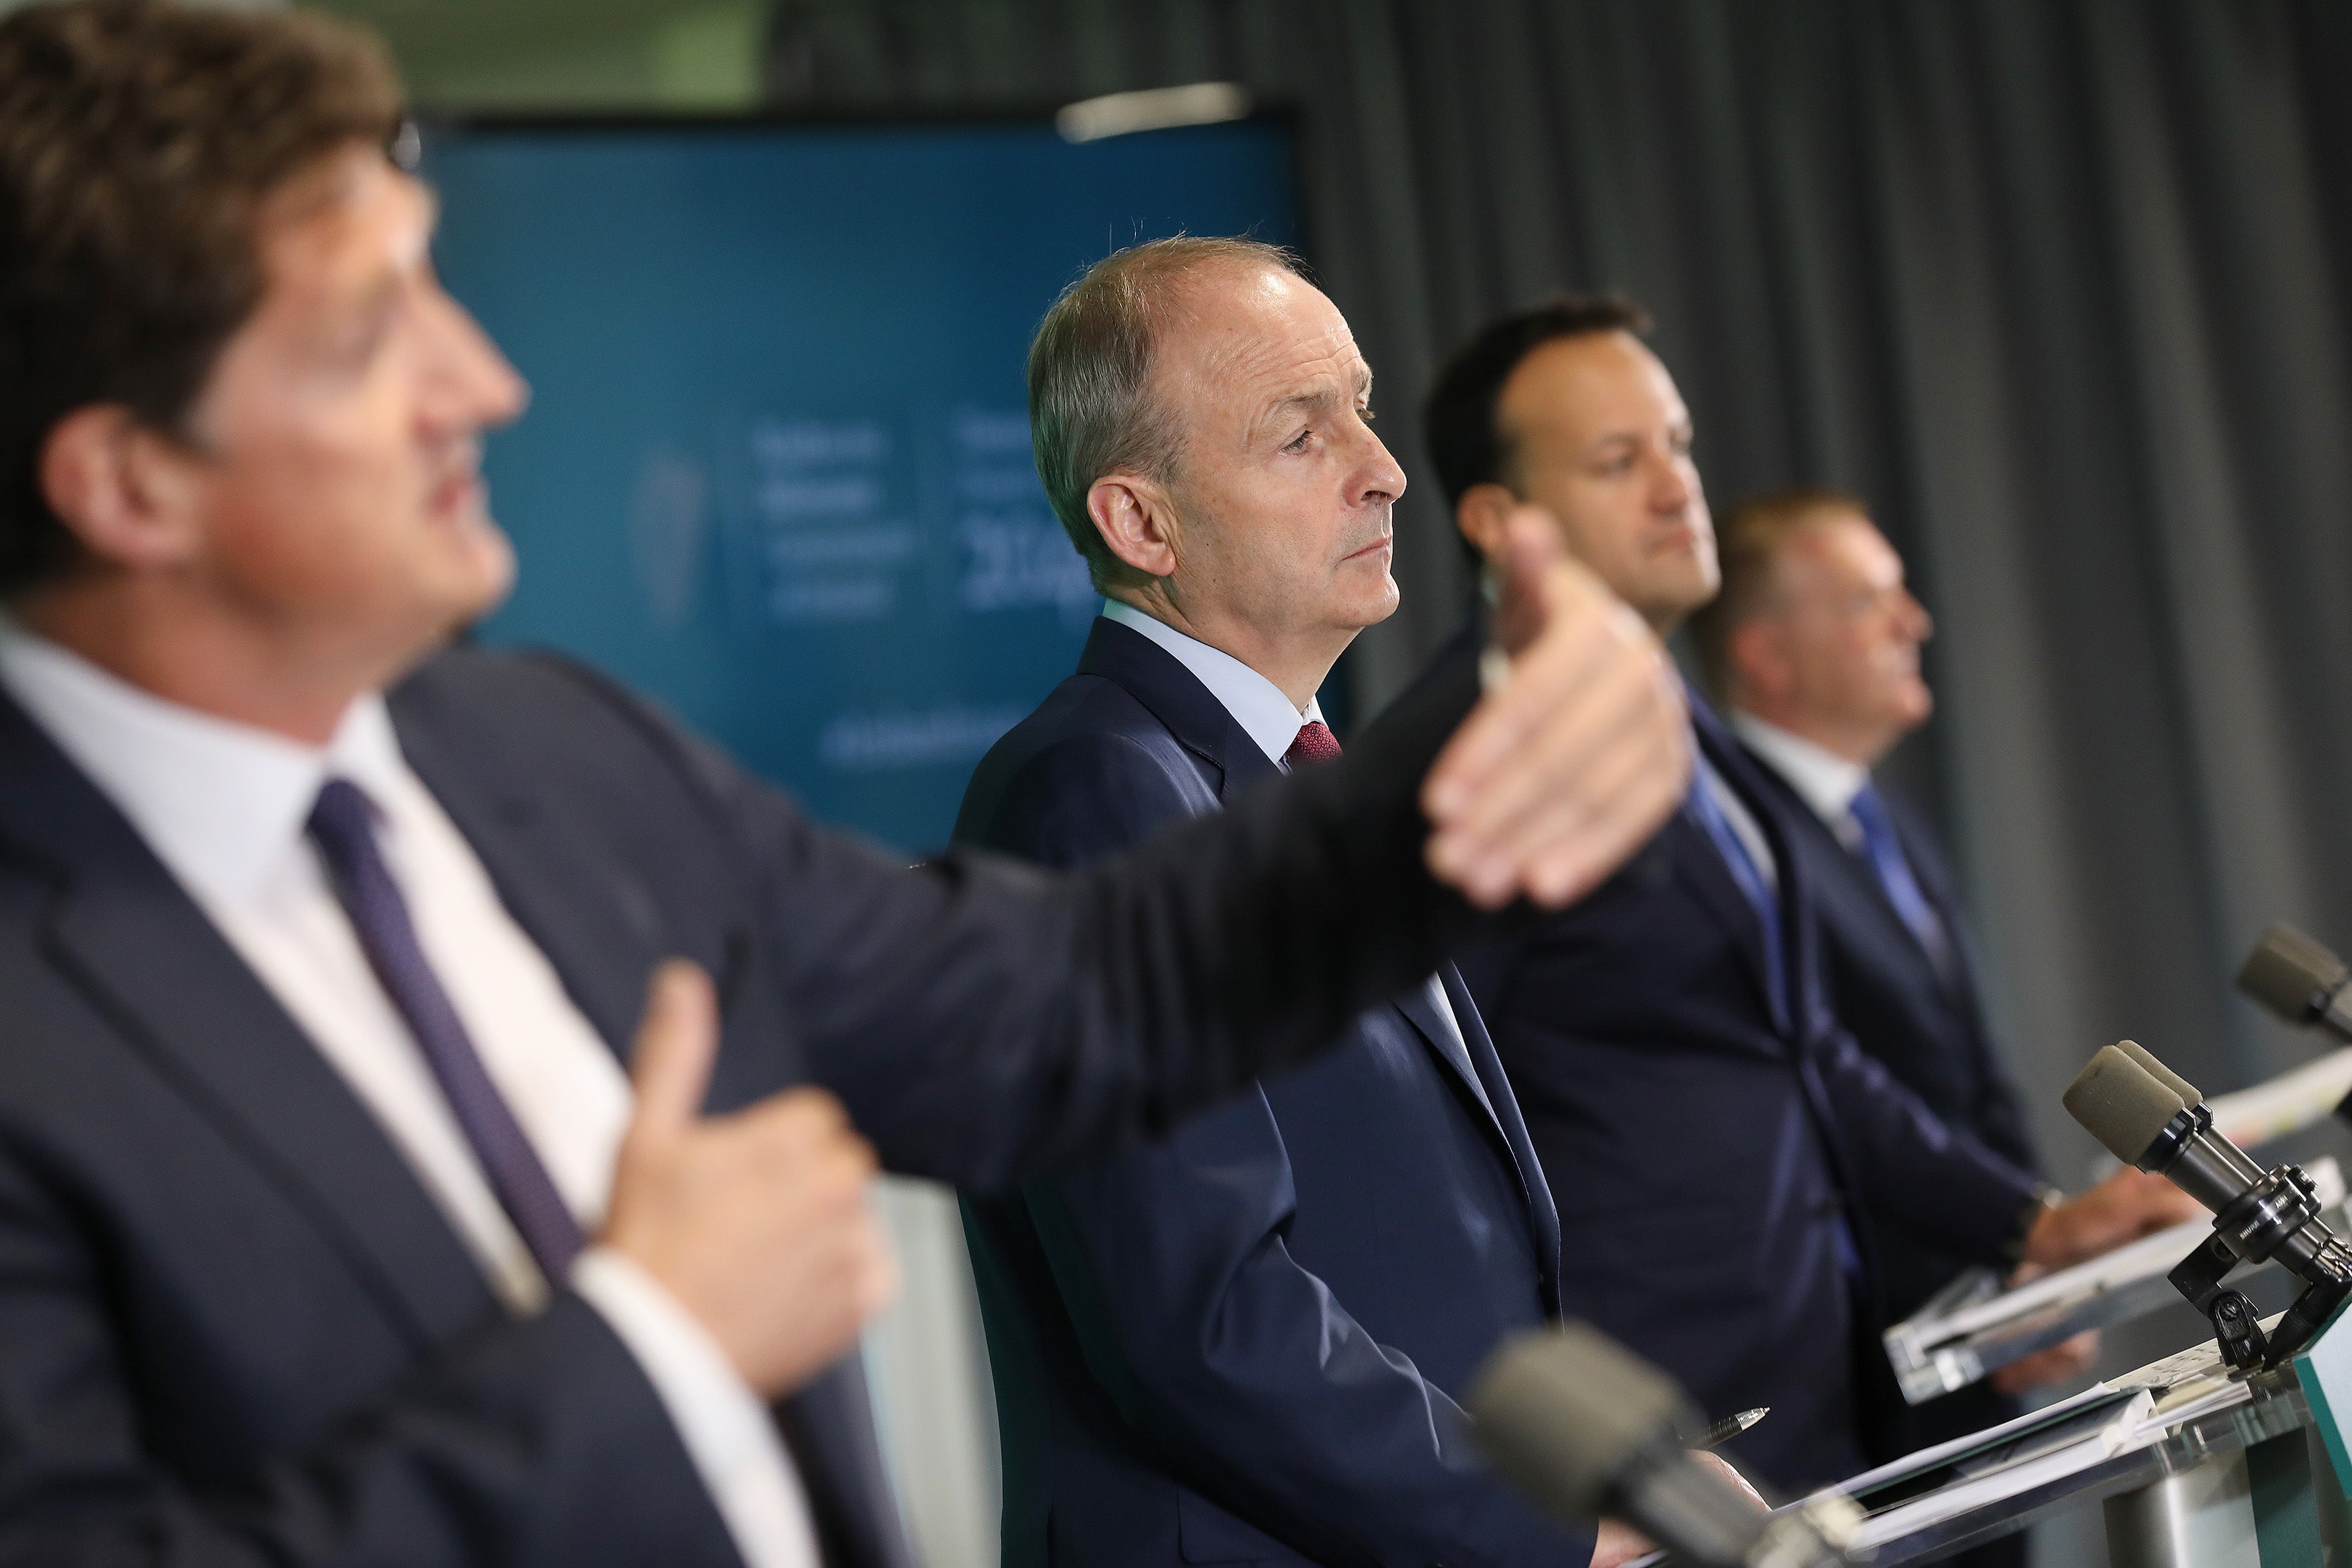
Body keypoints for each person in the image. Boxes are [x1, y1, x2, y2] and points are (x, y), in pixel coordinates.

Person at [0, 7, 1697, 1566]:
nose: (483, 385)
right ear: (130, 482)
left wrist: (1449, 801)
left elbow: (1062, 998)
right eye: (371, 333)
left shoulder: (546, 749)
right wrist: (647, 1357)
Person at [1416, 295, 2198, 1497]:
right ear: (1495, 520)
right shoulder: (1472, 752)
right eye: (1618, 461)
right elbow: (1431, 1139)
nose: (1677, 486)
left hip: (1817, 1403)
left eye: (1675, 444)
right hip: (1657, 1438)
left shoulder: (1691, 731)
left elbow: (1803, 1054)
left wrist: (2031, 1221)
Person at [955, 238, 1646, 1568]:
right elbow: (1199, 1309)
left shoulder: (1306, 775)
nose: (1382, 468)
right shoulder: (1092, 792)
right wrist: (1545, 1527)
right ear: (1141, 523)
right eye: (1298, 434)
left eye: (1363, 406)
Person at [1689, 489, 2071, 1517]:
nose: (1915, 622)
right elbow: (1821, 1098)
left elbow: (1968, 1076)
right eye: (1870, 603)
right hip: (1857, 1382)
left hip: (1980, 1347)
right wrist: (2028, 1232)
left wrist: (2043, 1261)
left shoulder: (1879, 818)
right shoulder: (1734, 838)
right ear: (1767, 656)